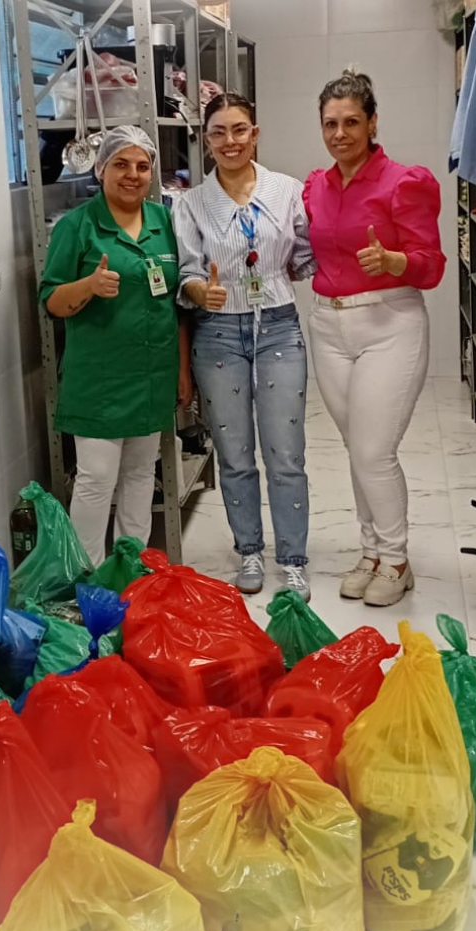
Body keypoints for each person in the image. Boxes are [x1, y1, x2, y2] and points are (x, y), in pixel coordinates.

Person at [304, 69, 446, 607]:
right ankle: (371, 553)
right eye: (330, 123)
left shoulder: (405, 182)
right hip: (328, 326)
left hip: (389, 324)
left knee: (372, 450)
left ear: (373, 123)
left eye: (351, 122)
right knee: (356, 447)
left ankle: (396, 558)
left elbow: (432, 265)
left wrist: (393, 261)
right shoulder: (317, 186)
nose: (340, 133)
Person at [173, 93, 316, 600]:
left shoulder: (288, 191)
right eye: (218, 132)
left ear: (255, 134)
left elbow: (306, 256)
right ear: (205, 139)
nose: (229, 141)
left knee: (286, 452)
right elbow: (187, 273)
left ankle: (293, 560)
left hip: (278, 327)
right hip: (217, 333)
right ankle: (249, 551)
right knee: (234, 455)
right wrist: (200, 292)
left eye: (239, 130)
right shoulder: (190, 204)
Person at [40, 125, 192, 567]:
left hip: (152, 374)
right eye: (121, 164)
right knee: (96, 479)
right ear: (101, 169)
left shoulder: (165, 222)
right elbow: (51, 302)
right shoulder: (77, 227)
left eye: (142, 166)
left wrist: (182, 370)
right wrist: (88, 286)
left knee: (142, 475)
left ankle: (131, 569)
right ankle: (88, 576)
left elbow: (178, 303)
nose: (133, 175)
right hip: (100, 379)